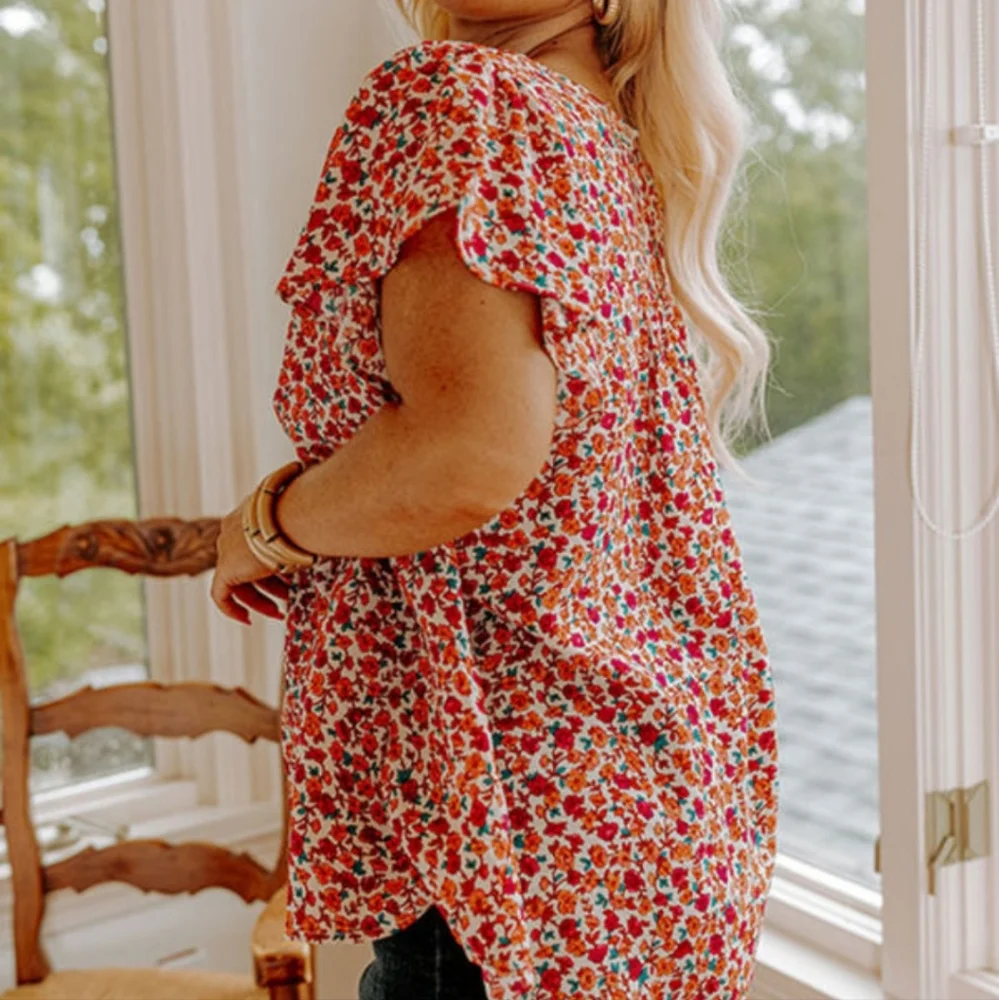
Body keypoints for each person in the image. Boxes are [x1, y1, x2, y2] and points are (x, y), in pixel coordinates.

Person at [210, 0, 779, 997]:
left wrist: (264, 526)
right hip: (633, 826)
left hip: (502, 829)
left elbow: (461, 458)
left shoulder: (462, 97)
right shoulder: (604, 137)